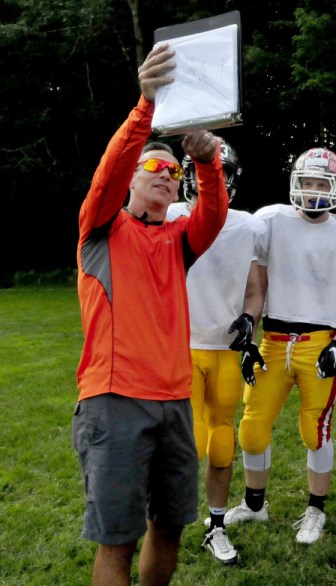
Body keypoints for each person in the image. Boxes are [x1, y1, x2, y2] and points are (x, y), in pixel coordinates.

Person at [73, 43, 229, 585]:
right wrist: (145, 106)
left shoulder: (176, 239)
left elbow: (212, 216)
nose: (165, 174)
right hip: (114, 401)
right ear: (134, 181)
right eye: (153, 168)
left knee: (170, 526)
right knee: (117, 537)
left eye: (173, 171)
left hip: (174, 403)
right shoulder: (102, 226)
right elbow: (109, 169)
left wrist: (207, 162)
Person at [226, 147, 336, 544]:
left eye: (321, 183)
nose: (313, 191)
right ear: (295, 183)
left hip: (319, 342)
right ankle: (255, 505)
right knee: (252, 428)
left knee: (315, 431)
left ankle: (316, 510)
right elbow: (256, 287)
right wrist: (249, 333)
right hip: (273, 341)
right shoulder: (271, 221)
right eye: (307, 182)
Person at [166, 140, 267, 565]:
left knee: (223, 441)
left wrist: (249, 318)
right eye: (205, 169)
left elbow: (254, 291)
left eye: (222, 172)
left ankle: (217, 525)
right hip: (180, 347)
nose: (214, 179)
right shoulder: (170, 214)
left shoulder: (248, 226)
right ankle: (163, 526)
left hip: (225, 347)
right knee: (185, 444)